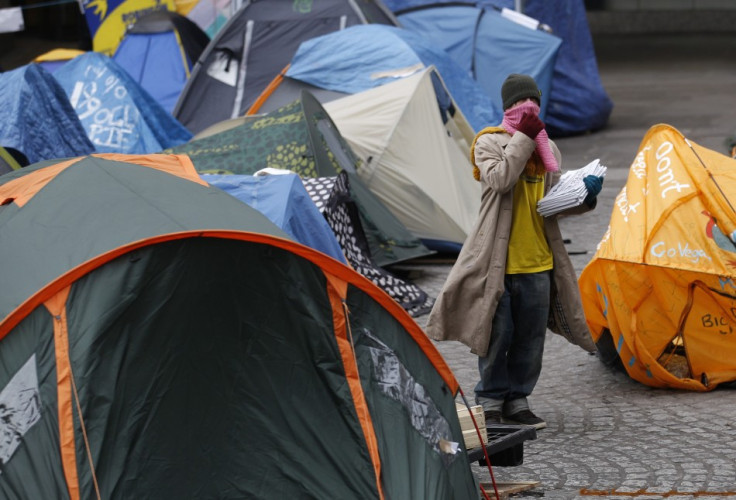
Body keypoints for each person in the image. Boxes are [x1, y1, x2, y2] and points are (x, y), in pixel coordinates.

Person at [425, 74, 601, 430]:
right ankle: (490, 401)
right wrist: (525, 136)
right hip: (497, 263)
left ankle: (518, 399)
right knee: (496, 335)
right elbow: (501, 179)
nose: (530, 110)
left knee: (529, 339)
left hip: (539, 261)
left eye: (535, 104)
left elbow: (553, 203)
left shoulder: (548, 150)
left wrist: (585, 195)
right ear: (508, 108)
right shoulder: (488, 143)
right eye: (523, 105)